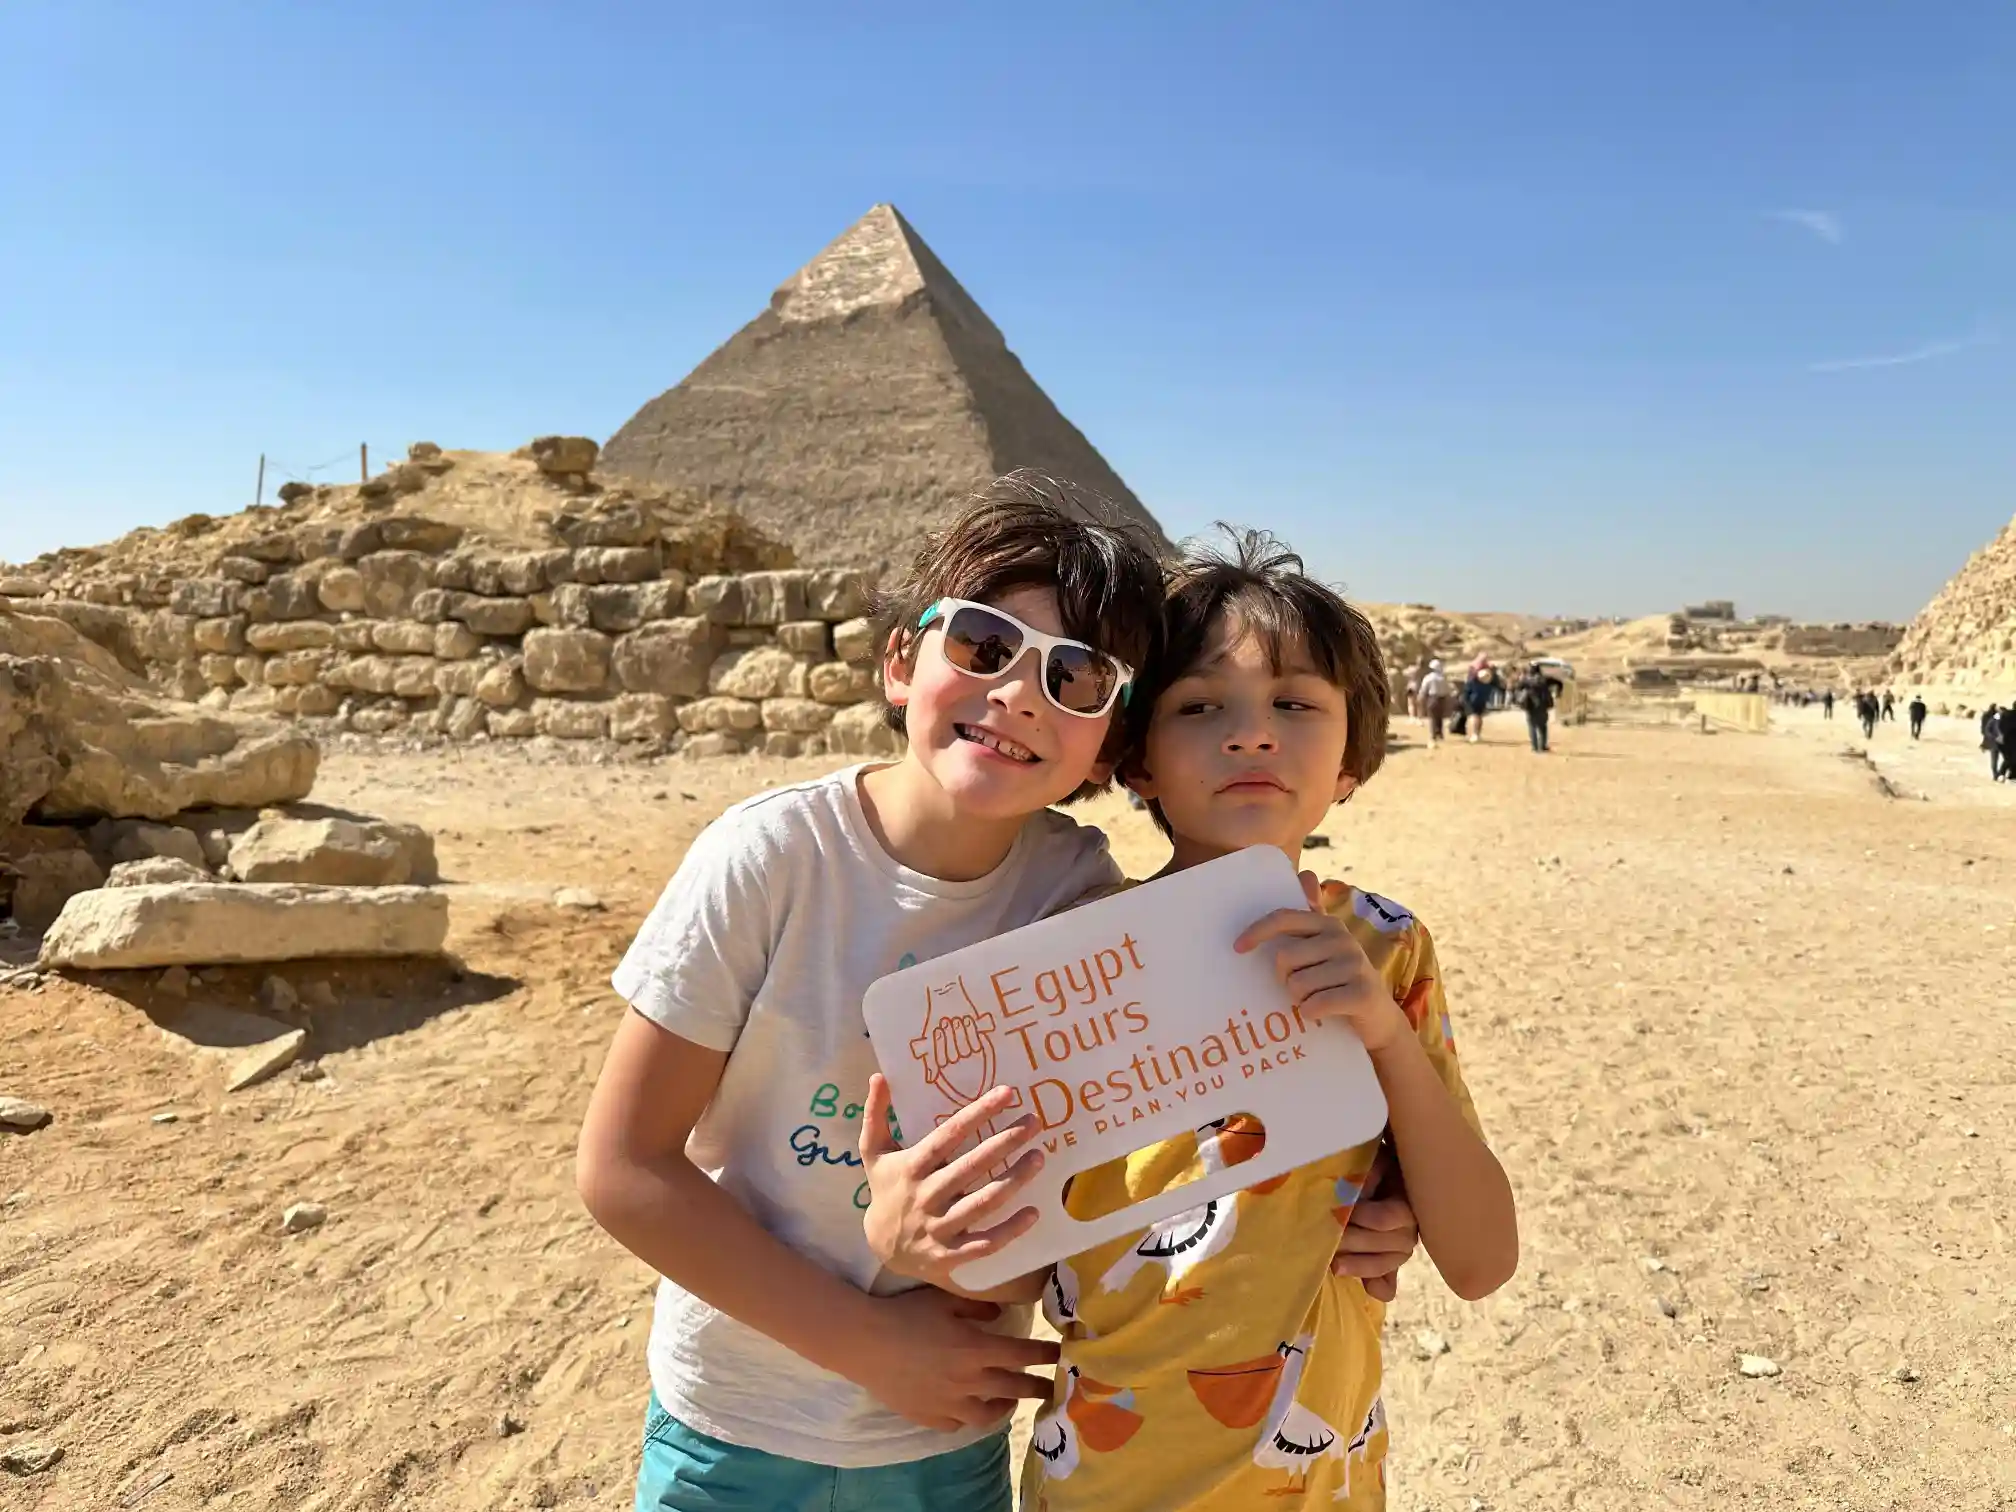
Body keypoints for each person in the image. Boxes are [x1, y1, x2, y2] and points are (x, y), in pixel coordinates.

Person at [861, 530, 1518, 1510]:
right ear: (1136, 763)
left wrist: (1383, 1036)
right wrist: (913, 1235)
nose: (1251, 735)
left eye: (1295, 704)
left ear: (1352, 760)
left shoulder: (1384, 950)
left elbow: (1482, 1260)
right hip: (1102, 1482)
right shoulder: (1062, 968)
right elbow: (1012, 1272)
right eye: (1201, 706)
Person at [574, 473, 1169, 1512]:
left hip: (944, 1439)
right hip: (737, 1428)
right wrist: (869, 1346)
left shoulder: (1078, 899)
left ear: (1112, 743)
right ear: (901, 661)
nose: (1020, 694)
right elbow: (624, 1166)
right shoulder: (770, 858)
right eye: (984, 643)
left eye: (1077, 676)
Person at [1520, 661, 1555, 753]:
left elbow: (1518, 687)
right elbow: (1558, 682)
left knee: (1532, 726)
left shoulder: (1526, 679)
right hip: (1543, 705)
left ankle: (1535, 747)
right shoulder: (1545, 679)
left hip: (1530, 705)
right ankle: (1542, 746)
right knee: (1543, 726)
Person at [1417, 658, 1452, 744]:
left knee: (1432, 717)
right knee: (1440, 717)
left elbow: (1424, 689)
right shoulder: (1443, 678)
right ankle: (1440, 734)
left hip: (1432, 698)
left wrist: (1421, 697)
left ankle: (1433, 735)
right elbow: (1448, 690)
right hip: (1442, 699)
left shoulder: (1429, 678)